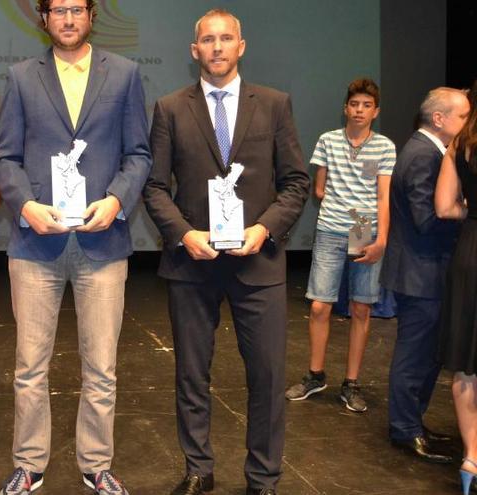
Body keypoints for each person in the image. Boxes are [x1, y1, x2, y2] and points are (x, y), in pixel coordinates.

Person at [142, 9, 309, 495]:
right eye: (207, 40)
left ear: (242, 46)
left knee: (267, 376)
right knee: (191, 375)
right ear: (194, 50)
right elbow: (155, 187)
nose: (217, 47)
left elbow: (296, 182)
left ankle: (263, 477)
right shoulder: (170, 108)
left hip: (258, 262)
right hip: (192, 263)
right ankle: (199, 469)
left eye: (226, 39)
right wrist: (182, 233)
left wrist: (264, 229)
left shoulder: (275, 105)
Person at [0, 0, 151, 493]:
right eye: (58, 10)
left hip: (103, 240)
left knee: (101, 366)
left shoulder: (124, 74)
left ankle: (97, 464)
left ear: (90, 16)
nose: (67, 18)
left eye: (76, 9)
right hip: (36, 243)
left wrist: (117, 201)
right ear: (45, 18)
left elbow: (138, 154)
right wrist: (25, 207)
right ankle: (29, 463)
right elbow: (5, 159)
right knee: (29, 367)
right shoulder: (21, 77)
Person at [285, 78, 396, 413]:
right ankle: (315, 374)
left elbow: (383, 197)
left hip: (365, 229)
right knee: (320, 306)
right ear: (345, 108)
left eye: (366, 105)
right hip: (332, 228)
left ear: (375, 111)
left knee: (361, 307)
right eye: (354, 104)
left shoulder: (384, 147)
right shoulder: (328, 141)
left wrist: (381, 240)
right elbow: (319, 188)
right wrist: (342, 204)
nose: (359, 111)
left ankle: (351, 383)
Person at [381, 87, 470, 463]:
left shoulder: (427, 151)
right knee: (414, 356)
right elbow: (425, 219)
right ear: (440, 119)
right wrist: (465, 211)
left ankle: (412, 423)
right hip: (421, 273)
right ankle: (405, 430)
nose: (468, 124)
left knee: (425, 355)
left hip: (425, 272)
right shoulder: (422, 155)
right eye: (464, 117)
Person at [435, 81, 477, 495]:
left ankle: (471, 458)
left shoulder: (459, 144)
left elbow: (446, 207)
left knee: (466, 361)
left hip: (471, 253)